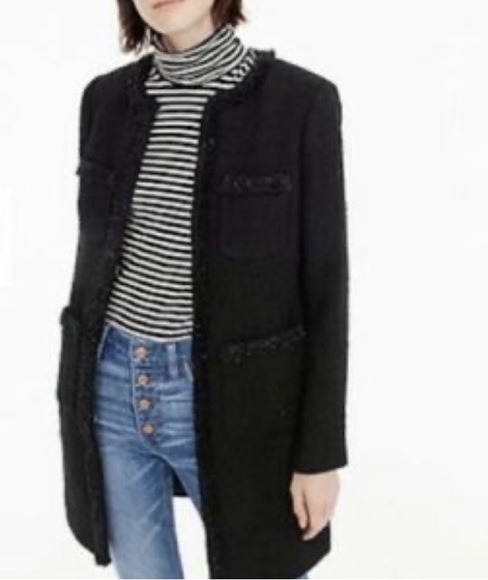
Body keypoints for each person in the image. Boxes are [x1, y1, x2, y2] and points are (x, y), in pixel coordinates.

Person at [55, 0, 349, 577]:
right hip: (111, 387)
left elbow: (326, 286)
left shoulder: (300, 103)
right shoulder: (104, 100)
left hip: (241, 398)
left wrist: (319, 454)